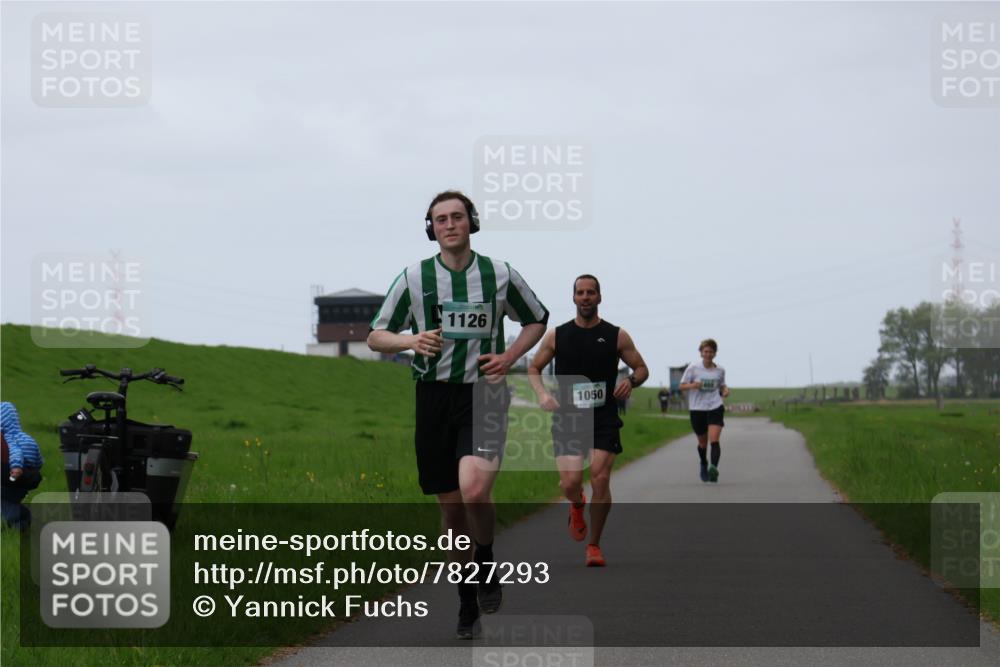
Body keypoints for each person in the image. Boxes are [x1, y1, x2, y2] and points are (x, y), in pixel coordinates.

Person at [367, 190, 548, 639]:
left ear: (472, 222)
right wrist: (410, 341)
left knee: (474, 489)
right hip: (432, 398)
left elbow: (537, 318)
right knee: (451, 510)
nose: (450, 225)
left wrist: (509, 357)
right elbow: (375, 336)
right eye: (440, 219)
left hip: (484, 394)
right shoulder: (414, 277)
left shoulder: (499, 274)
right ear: (431, 228)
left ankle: (485, 561)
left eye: (457, 217)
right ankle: (467, 598)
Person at [528, 275, 648, 567]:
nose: (585, 297)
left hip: (603, 416)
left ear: (599, 297)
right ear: (573, 298)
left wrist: (631, 381)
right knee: (570, 482)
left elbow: (642, 368)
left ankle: (594, 545)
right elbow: (534, 368)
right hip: (568, 417)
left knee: (601, 478)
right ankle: (577, 503)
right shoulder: (557, 335)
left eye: (590, 292)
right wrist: (543, 394)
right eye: (580, 293)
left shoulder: (616, 335)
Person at [679, 339, 729, 483]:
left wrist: (725, 390)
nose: (708, 354)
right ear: (701, 353)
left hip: (715, 406)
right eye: (705, 351)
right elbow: (682, 386)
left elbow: (722, 385)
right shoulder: (693, 368)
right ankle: (703, 463)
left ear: (715, 353)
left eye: (711, 352)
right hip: (697, 409)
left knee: (714, 440)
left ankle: (713, 468)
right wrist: (693, 385)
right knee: (702, 443)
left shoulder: (720, 370)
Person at [1, 401, 44, 530]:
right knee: (9, 501)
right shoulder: (27, 438)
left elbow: (16, 452)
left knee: (6, 503)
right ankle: (20, 524)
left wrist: (16, 467)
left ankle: (22, 520)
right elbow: (39, 458)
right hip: (27, 478)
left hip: (15, 475)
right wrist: (34, 470)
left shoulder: (9, 437)